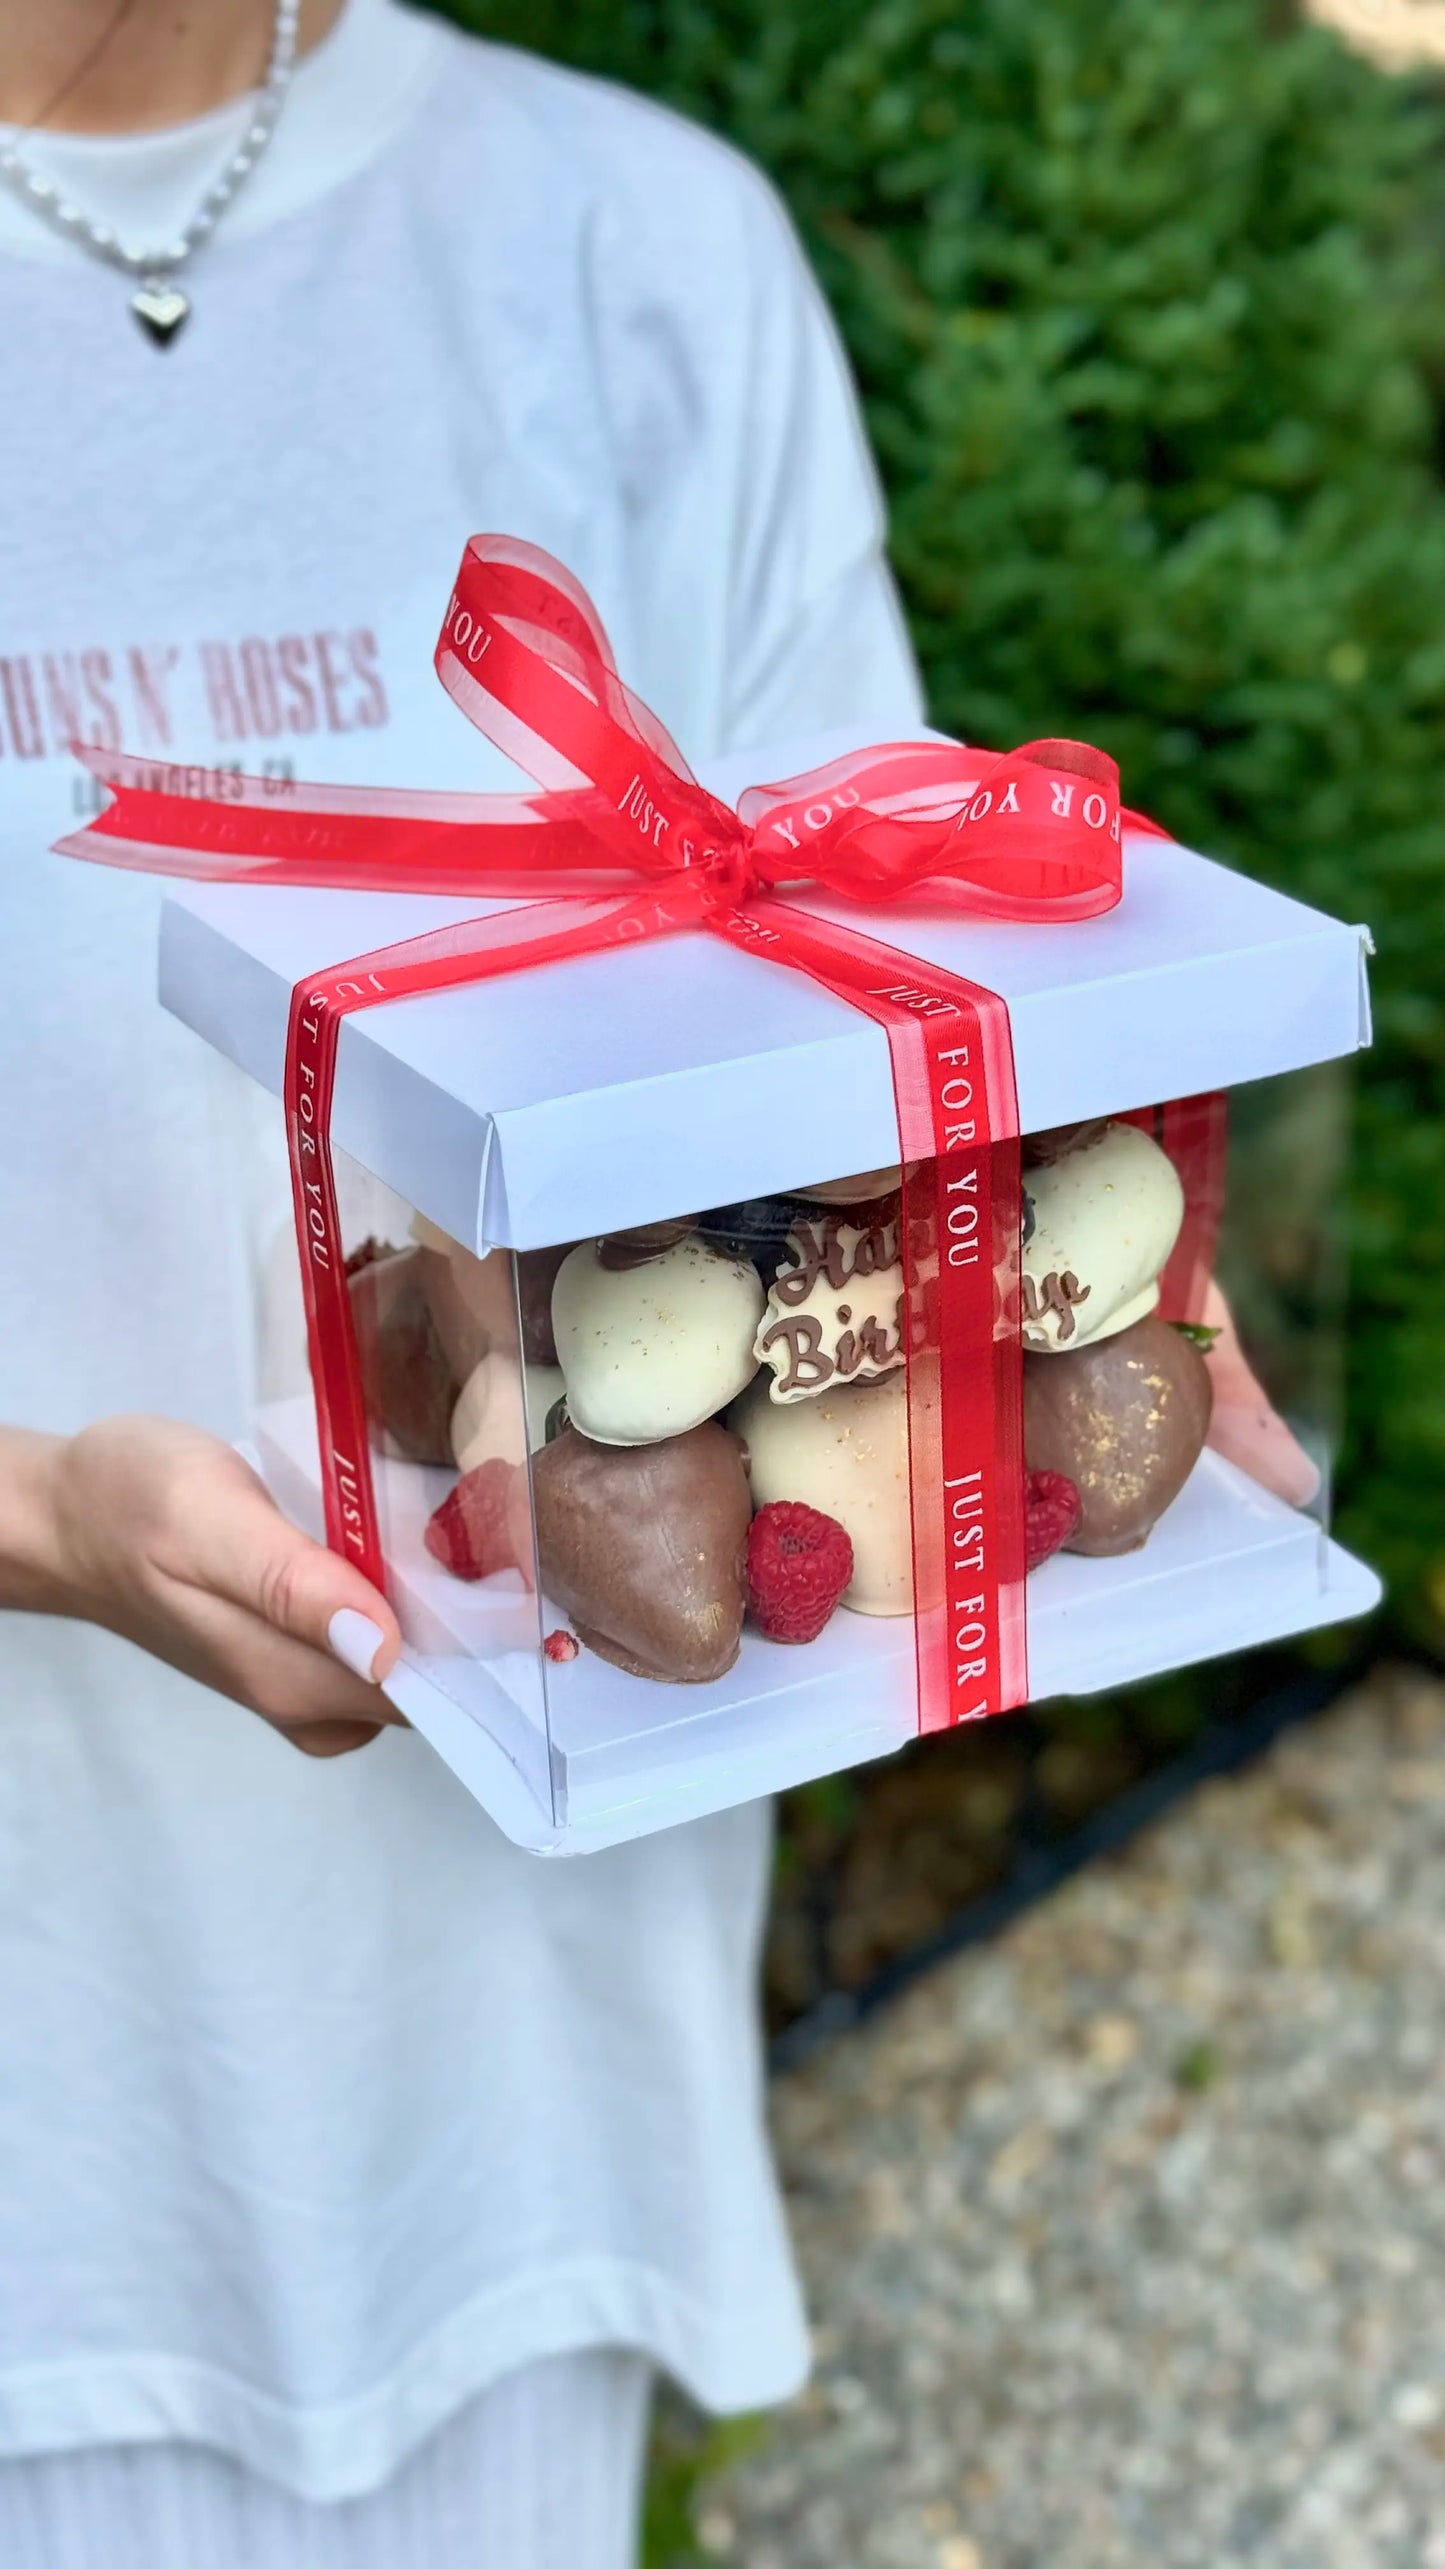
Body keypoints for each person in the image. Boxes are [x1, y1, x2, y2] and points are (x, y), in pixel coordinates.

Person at [0, 0, 925, 2560]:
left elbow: (864, 1061)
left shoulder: (633, 247)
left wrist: (1027, 1315)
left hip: (514, 2073)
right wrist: (46, 1520)